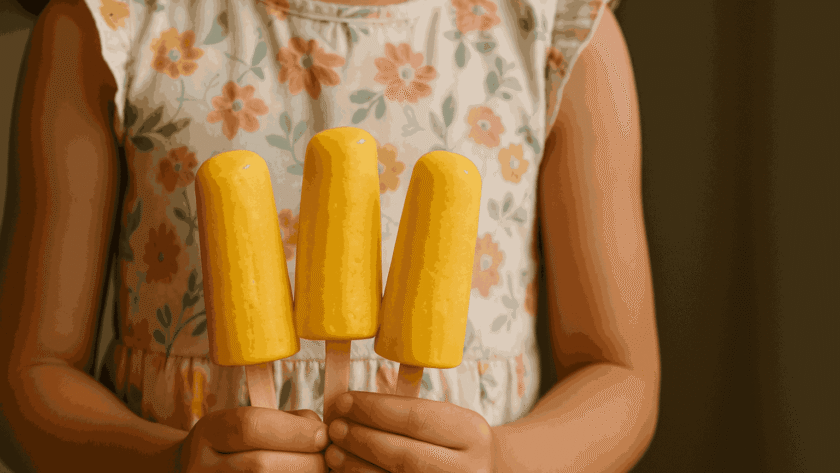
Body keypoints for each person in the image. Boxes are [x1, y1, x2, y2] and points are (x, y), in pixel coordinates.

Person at [0, 0, 659, 471]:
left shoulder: (558, 31)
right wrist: (166, 462)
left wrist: (506, 461)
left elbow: (619, 375)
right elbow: (29, 379)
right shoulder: (104, 25)